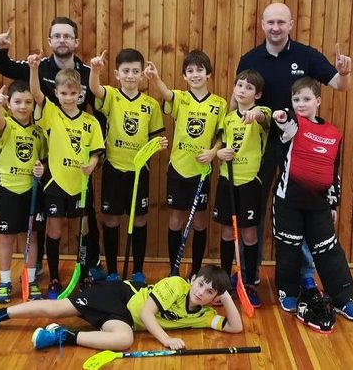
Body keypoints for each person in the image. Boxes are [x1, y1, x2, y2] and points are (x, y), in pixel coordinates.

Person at [235, 2, 352, 296]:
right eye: (270, 22)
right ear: (262, 24)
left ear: (290, 24)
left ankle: (305, 276)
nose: (275, 28)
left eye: (281, 22)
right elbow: (239, 97)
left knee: (302, 208)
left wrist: (344, 72)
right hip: (260, 145)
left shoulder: (306, 55)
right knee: (254, 209)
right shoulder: (251, 58)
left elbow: (340, 85)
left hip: (301, 146)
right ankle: (250, 276)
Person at [0, 17, 106, 283]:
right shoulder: (40, 66)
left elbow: (99, 104)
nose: (62, 40)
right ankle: (42, 267)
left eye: (68, 36)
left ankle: (91, 264)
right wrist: (0, 49)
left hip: (79, 157)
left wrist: (96, 157)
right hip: (45, 152)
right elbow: (6, 67)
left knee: (86, 217)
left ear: (76, 42)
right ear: (50, 41)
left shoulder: (87, 72)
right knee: (45, 216)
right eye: (57, 36)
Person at [0, 265, 242, 351]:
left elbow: (234, 327)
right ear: (192, 279)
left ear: (214, 298)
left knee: (124, 339)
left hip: (124, 319)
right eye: (200, 284)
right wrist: (167, 340)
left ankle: (61, 336)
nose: (201, 292)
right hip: (121, 296)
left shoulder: (204, 314)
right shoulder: (175, 285)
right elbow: (146, 313)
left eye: (210, 292)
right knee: (57, 309)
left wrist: (226, 294)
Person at [272, 77, 353, 332]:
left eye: (306, 99)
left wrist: (333, 204)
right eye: (296, 99)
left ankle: (343, 299)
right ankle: (288, 292)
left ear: (318, 101)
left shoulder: (334, 134)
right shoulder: (293, 124)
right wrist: (281, 116)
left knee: (328, 251)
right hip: (288, 202)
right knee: (288, 249)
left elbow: (334, 171)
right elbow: (285, 123)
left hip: (319, 205)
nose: (301, 104)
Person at [29, 53, 105, 299]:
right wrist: (33, 69)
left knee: (83, 229)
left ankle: (83, 275)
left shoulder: (91, 122)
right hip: (56, 183)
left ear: (80, 94)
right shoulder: (52, 113)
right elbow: (37, 94)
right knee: (54, 230)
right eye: (63, 93)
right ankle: (54, 279)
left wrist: (92, 164)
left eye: (73, 93)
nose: (69, 97)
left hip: (80, 184)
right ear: (57, 93)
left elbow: (97, 152)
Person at [89, 49, 167, 283]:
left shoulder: (151, 105)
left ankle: (138, 271)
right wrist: (95, 70)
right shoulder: (111, 96)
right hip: (114, 169)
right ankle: (113, 271)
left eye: (135, 71)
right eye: (125, 71)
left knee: (139, 220)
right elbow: (95, 89)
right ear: (117, 74)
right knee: (111, 220)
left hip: (139, 172)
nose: (130, 75)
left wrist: (158, 145)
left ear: (142, 74)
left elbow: (155, 137)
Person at [145, 50, 226, 277]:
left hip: (201, 172)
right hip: (178, 169)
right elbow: (166, 93)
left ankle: (197, 270)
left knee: (199, 221)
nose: (195, 74)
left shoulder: (219, 104)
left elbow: (222, 136)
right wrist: (155, 78)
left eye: (200, 70)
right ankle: (174, 270)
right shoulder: (181, 98)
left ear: (208, 73)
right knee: (175, 220)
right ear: (184, 76)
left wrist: (213, 152)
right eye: (190, 71)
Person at [213, 69, 270, 308]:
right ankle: (224, 283)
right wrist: (219, 153)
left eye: (249, 87)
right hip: (227, 180)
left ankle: (249, 283)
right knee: (227, 233)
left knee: (249, 234)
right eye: (239, 85)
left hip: (250, 183)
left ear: (257, 94)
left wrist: (255, 113)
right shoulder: (227, 119)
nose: (242, 90)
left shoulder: (261, 113)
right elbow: (222, 144)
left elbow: (263, 116)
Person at [0, 80, 47, 303]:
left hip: (31, 192)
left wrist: (41, 169)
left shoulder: (38, 132)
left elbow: (43, 160)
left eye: (28, 102)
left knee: (30, 238)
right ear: (9, 104)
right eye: (17, 102)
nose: (23, 106)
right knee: (6, 238)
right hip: (9, 191)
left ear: (34, 105)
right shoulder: (6, 125)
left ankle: (30, 280)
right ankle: (5, 282)